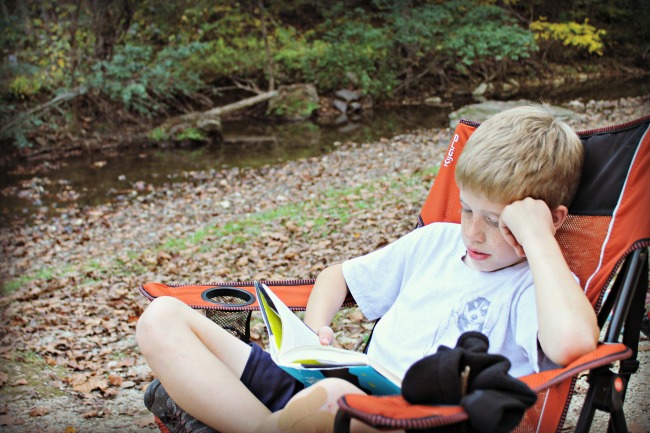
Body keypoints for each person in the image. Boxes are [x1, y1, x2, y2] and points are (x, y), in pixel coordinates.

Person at [135, 104, 599, 433]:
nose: (473, 233)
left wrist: (537, 239)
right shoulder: (434, 243)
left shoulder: (540, 284)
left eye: (498, 222)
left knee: (330, 404)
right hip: (326, 387)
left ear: (547, 219)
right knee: (162, 320)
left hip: (401, 421)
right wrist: (317, 332)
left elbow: (574, 344)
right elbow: (336, 276)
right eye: (467, 210)